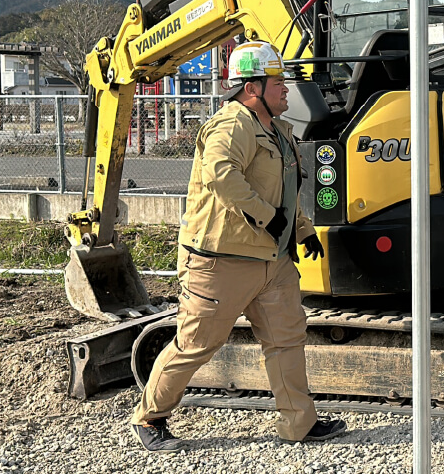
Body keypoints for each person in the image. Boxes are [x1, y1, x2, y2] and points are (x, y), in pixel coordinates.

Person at [130, 40, 346, 453]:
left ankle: (299, 425)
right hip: (220, 262)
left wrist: (301, 229)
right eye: (277, 81)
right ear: (252, 88)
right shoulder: (232, 125)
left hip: (272, 260)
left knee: (286, 339)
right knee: (196, 344)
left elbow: (283, 191)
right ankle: (149, 417)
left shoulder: (278, 130)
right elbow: (221, 175)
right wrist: (270, 219)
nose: (285, 89)